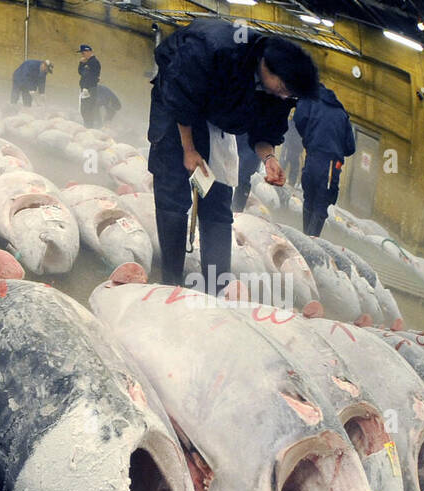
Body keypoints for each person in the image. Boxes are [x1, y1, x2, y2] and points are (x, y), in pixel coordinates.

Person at [147, 18, 317, 293]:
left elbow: (266, 130)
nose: (286, 98)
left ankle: (217, 287)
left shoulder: (282, 91)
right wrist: (189, 150)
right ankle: (171, 282)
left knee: (218, 200)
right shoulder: (216, 48)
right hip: (176, 110)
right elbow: (181, 95)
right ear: (267, 68)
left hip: (217, 119)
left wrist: (269, 159)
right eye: (284, 89)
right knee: (173, 190)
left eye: (291, 95)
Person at [293, 82, 357, 237]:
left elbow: (299, 118)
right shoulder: (341, 114)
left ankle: (305, 237)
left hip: (313, 156)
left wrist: (309, 137)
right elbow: (351, 147)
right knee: (321, 203)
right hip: (331, 164)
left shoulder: (309, 100)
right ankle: (311, 241)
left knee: (309, 197)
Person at [78, 44, 102, 128]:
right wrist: (81, 63)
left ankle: (89, 127)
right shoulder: (88, 61)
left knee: (88, 109)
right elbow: (81, 72)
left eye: (83, 53)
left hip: (90, 89)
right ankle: (87, 126)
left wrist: (86, 88)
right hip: (86, 89)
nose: (82, 55)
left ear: (88, 52)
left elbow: (90, 75)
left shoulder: (93, 62)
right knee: (84, 110)